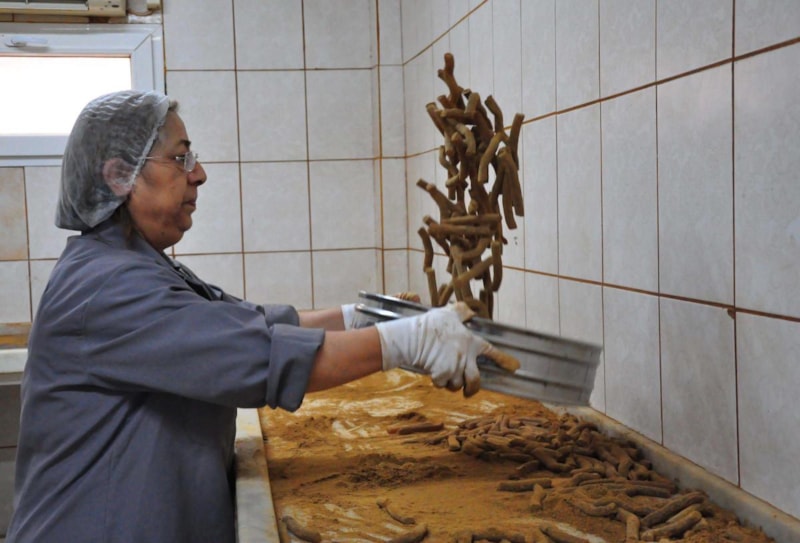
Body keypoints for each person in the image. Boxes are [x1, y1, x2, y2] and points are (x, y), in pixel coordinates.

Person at [6, 90, 513, 543]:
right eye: (181, 158)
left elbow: (244, 323)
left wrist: (355, 318)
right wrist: (408, 342)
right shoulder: (107, 286)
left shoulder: (134, 263)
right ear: (119, 176)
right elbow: (253, 355)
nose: (199, 173)